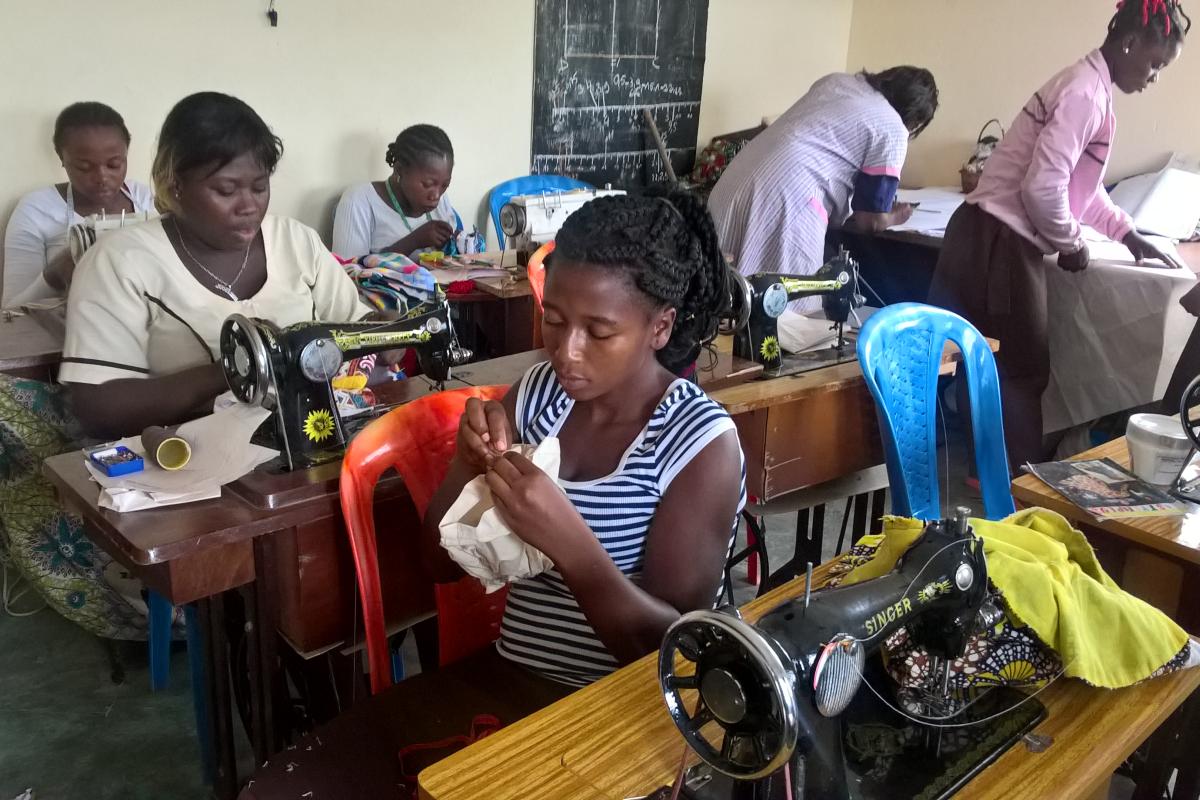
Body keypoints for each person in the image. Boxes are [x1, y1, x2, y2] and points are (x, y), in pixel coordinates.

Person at [422, 189, 746, 688]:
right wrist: (467, 464)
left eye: (598, 332)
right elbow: (437, 567)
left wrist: (569, 544)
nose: (566, 352)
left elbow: (677, 656)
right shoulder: (537, 397)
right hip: (521, 685)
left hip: (622, 708)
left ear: (660, 327)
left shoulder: (698, 443)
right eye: (553, 320)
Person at [928, 0, 1189, 470]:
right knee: (1019, 371)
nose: (1154, 78)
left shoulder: (1092, 89)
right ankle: (1016, 485)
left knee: (989, 363)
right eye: (1155, 64)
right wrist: (1072, 243)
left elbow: (1080, 188)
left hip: (989, 233)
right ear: (1129, 43)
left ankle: (989, 473)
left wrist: (1128, 233)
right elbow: (1043, 189)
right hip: (999, 241)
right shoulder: (1085, 94)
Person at [59, 92, 372, 439]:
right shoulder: (120, 261)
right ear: (176, 185)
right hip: (183, 454)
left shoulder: (296, 240)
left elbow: (357, 328)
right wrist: (237, 368)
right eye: (226, 190)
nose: (249, 206)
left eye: (260, 187)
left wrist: (383, 333)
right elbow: (97, 406)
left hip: (310, 436)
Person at [707, 66, 938, 312]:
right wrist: (895, 216)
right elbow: (869, 222)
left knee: (720, 297)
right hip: (788, 199)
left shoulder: (837, 82)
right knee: (788, 314)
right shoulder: (893, 127)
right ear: (915, 120)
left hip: (739, 178)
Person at [2, 101, 154, 307]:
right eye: (84, 167)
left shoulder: (145, 199)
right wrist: (53, 275)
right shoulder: (36, 209)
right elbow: (11, 312)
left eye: (114, 164)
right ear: (62, 158)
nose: (102, 178)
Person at [332, 124, 461, 260]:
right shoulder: (359, 201)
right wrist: (414, 241)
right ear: (399, 170)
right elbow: (348, 269)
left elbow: (456, 258)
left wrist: (455, 243)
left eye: (445, 185)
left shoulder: (441, 200)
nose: (436, 195)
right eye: (427, 184)